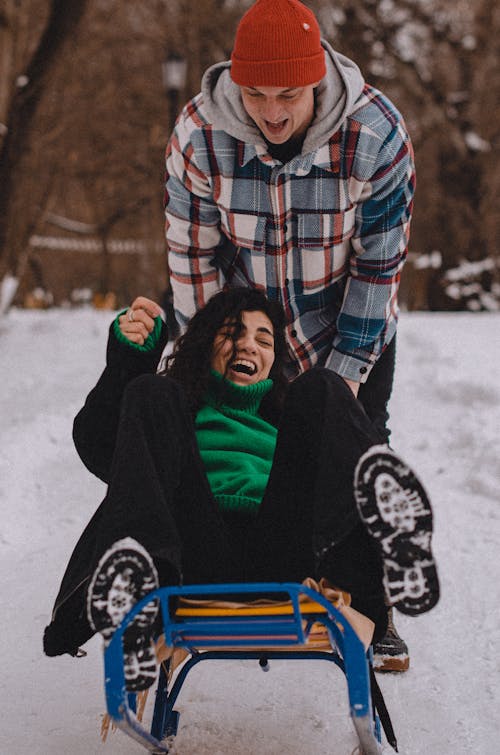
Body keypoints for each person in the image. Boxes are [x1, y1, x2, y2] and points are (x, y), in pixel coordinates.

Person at [164, 0, 416, 668]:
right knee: (235, 443)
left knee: (351, 445)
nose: (271, 113)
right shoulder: (198, 136)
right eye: (255, 95)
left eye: (287, 96)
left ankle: (371, 600)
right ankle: (240, 584)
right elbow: (193, 261)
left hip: (345, 324)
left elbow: (377, 268)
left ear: (317, 83)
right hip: (247, 327)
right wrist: (212, 363)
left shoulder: (377, 136)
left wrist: (336, 388)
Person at [43, 289, 438, 691]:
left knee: (322, 385)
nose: (249, 344)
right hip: (190, 555)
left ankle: (386, 541)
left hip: (282, 553)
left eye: (264, 340)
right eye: (233, 333)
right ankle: (141, 589)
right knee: (152, 389)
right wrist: (130, 361)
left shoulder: (289, 421)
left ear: (272, 359)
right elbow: (100, 447)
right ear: (205, 344)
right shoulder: (176, 408)